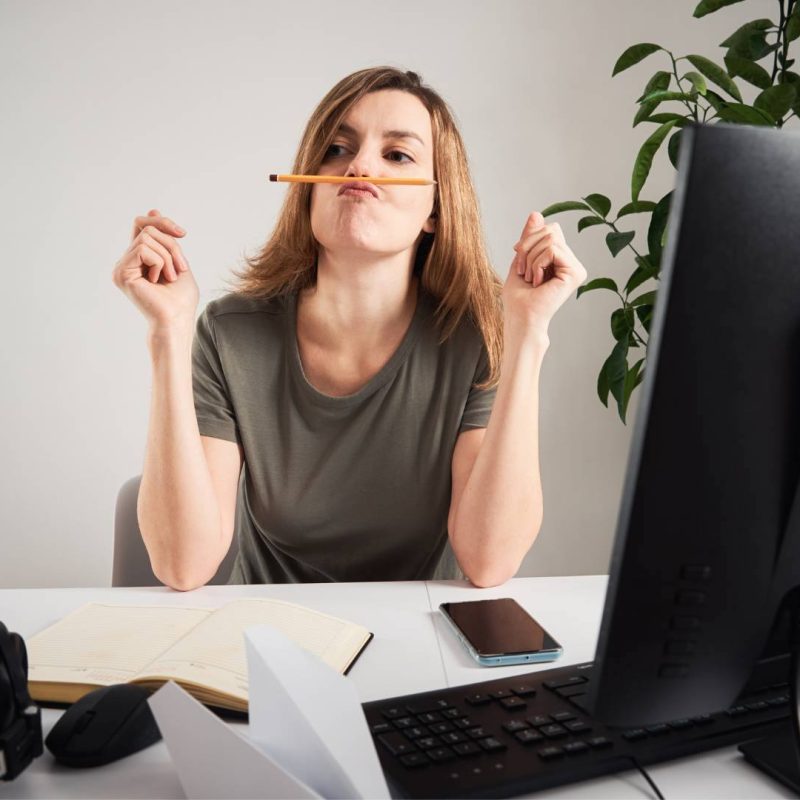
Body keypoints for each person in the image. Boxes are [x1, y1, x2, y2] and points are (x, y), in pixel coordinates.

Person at [111, 66, 588, 591]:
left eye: (397, 155)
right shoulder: (230, 334)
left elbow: (489, 561)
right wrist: (168, 330)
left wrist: (527, 333)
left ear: (436, 206)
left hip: (427, 651)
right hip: (265, 641)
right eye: (336, 149)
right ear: (308, 189)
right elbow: (183, 566)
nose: (359, 166)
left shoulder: (474, 340)